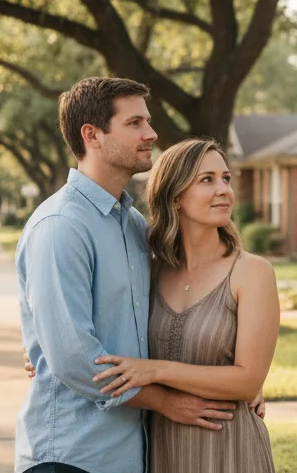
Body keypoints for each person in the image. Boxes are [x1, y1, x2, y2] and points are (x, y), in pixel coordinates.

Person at [15, 77, 260, 473]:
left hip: (132, 454)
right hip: (72, 455)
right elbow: (76, 359)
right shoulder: (61, 226)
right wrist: (165, 401)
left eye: (147, 121)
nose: (151, 133)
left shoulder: (130, 224)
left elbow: (160, 329)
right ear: (92, 135)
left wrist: (239, 380)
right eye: (135, 123)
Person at [91, 137, 281, 472]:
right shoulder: (149, 272)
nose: (224, 189)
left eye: (225, 178)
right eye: (207, 180)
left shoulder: (251, 272)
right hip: (163, 449)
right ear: (176, 196)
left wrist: (156, 370)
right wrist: (40, 351)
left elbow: (248, 380)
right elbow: (100, 326)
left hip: (230, 449)